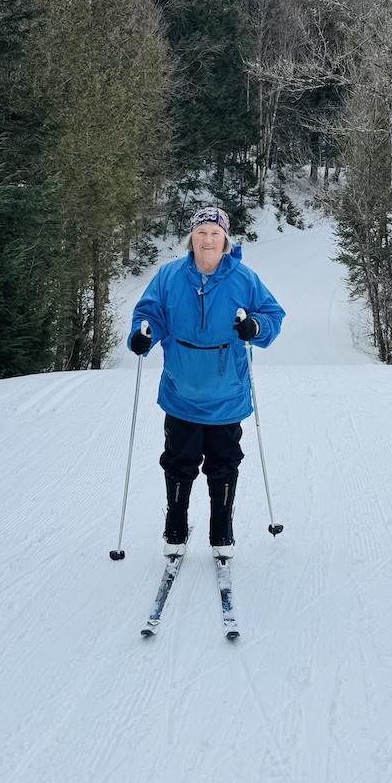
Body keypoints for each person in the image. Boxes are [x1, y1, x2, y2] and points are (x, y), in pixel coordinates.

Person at [128, 206, 285, 559]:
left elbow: (272, 315)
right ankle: (176, 526)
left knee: (224, 463)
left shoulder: (244, 278)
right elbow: (149, 314)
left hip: (227, 393)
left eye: (215, 233)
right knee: (178, 461)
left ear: (225, 239)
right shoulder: (169, 276)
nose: (208, 239)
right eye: (201, 233)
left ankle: (221, 529)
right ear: (191, 238)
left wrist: (254, 328)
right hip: (181, 391)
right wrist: (142, 336)